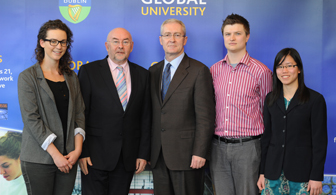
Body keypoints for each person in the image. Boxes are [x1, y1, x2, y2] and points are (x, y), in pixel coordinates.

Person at [78, 28, 151, 195]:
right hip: (94, 158)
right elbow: (81, 114)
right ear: (107, 45)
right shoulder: (89, 72)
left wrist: (143, 154)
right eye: (115, 41)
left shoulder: (143, 75)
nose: (120, 46)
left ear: (131, 46)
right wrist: (83, 151)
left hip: (127, 158)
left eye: (125, 42)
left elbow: (146, 118)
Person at [17, 19, 85, 195]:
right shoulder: (27, 77)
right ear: (42, 42)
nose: (58, 46)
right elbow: (31, 119)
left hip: (69, 158)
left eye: (63, 42)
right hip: (39, 160)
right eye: (53, 41)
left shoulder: (71, 77)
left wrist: (77, 151)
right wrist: (56, 155)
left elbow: (79, 115)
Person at [149, 18, 215, 195]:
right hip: (158, 156)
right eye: (167, 35)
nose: (172, 39)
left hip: (187, 157)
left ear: (184, 40)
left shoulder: (198, 70)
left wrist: (200, 152)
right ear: (160, 39)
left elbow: (205, 117)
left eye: (177, 35)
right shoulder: (153, 72)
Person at [210, 13, 273, 195]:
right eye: (228, 34)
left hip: (248, 148)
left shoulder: (261, 72)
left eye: (237, 33)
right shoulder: (213, 70)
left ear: (247, 36)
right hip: (218, 147)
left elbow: (267, 114)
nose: (232, 38)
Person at [257, 48, 327, 195]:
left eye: (289, 65)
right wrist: (262, 172)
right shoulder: (270, 99)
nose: (285, 71)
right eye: (280, 66)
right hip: (272, 174)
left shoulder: (315, 100)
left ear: (299, 69)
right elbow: (266, 139)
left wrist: (316, 177)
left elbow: (319, 142)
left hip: (302, 174)